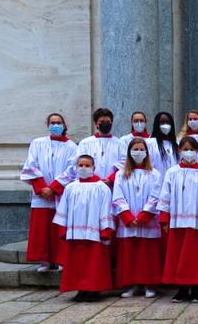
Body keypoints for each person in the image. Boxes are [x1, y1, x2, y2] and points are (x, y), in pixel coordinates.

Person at [157, 137, 198, 303]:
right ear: (179, 151)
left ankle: (196, 288)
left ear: (197, 151)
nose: (188, 152)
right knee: (178, 256)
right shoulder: (172, 172)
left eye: (192, 149)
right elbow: (165, 196)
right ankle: (182, 289)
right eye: (185, 149)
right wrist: (164, 219)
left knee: (196, 256)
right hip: (177, 221)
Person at [21, 113, 77, 272]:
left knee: (59, 226)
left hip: (60, 193)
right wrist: (42, 188)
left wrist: (53, 188)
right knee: (42, 228)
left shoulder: (72, 146)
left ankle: (61, 259)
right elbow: (31, 165)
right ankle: (44, 260)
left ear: (64, 125)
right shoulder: (37, 143)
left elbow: (72, 170)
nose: (56, 125)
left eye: (59, 122)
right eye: (52, 123)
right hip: (41, 195)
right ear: (48, 125)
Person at [53, 155, 114, 301]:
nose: (83, 168)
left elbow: (107, 209)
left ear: (94, 167)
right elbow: (63, 210)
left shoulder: (101, 187)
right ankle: (80, 289)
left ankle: (94, 290)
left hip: (94, 232)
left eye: (87, 165)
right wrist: (63, 230)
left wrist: (105, 231)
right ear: (76, 167)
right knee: (77, 263)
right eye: (80, 165)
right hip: (74, 232)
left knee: (94, 262)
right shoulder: (70, 187)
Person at [112, 138, 162, 298]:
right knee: (129, 253)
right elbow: (117, 197)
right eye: (135, 149)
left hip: (147, 221)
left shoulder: (155, 174)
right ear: (129, 152)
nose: (138, 152)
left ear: (147, 153)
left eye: (142, 149)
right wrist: (128, 216)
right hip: (128, 222)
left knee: (147, 253)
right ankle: (131, 285)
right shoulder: (121, 174)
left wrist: (143, 216)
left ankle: (149, 284)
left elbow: (156, 196)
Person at [57, 108, 126, 189]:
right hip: (89, 186)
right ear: (96, 124)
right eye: (102, 122)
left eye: (108, 122)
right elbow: (77, 164)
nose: (105, 124)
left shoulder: (120, 144)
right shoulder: (85, 143)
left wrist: (110, 179)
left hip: (112, 186)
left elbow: (124, 164)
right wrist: (95, 180)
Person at [146, 112, 179, 182]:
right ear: (157, 124)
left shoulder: (177, 144)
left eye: (168, 122)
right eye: (162, 122)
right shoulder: (149, 143)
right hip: (155, 183)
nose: (165, 125)